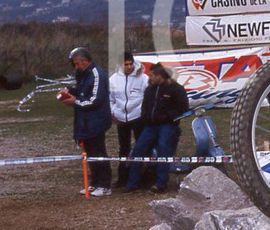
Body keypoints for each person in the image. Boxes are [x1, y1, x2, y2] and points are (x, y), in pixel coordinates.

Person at [116, 64, 190, 194]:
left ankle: (161, 183)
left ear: (159, 76)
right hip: (150, 125)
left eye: (152, 75)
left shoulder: (176, 89)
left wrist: (168, 117)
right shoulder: (149, 90)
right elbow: (145, 106)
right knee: (138, 150)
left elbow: (183, 108)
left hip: (167, 126)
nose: (149, 78)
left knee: (163, 151)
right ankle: (133, 183)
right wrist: (145, 117)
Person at [57, 47, 113, 196]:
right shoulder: (82, 74)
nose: (75, 67)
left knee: (99, 151)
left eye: (77, 64)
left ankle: (105, 185)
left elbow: (95, 100)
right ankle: (94, 182)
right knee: (88, 152)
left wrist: (75, 102)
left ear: (85, 61)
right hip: (85, 121)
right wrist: (69, 91)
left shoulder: (97, 75)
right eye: (74, 64)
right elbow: (81, 91)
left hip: (97, 119)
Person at [109, 51, 148, 188]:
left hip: (137, 117)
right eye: (126, 64)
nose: (129, 67)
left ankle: (143, 177)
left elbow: (146, 97)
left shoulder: (143, 78)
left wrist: (142, 113)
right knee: (124, 148)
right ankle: (122, 178)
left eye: (131, 64)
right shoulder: (113, 79)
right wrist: (113, 113)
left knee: (141, 147)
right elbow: (110, 99)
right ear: (120, 65)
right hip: (121, 118)